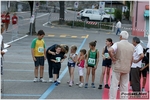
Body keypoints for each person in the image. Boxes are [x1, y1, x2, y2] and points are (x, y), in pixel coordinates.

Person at [108, 31, 134, 99]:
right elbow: (132, 58)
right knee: (124, 85)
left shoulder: (117, 44)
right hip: (126, 67)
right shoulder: (132, 46)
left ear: (120, 36)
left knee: (114, 85)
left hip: (117, 67)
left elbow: (110, 50)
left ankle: (112, 98)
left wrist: (113, 58)